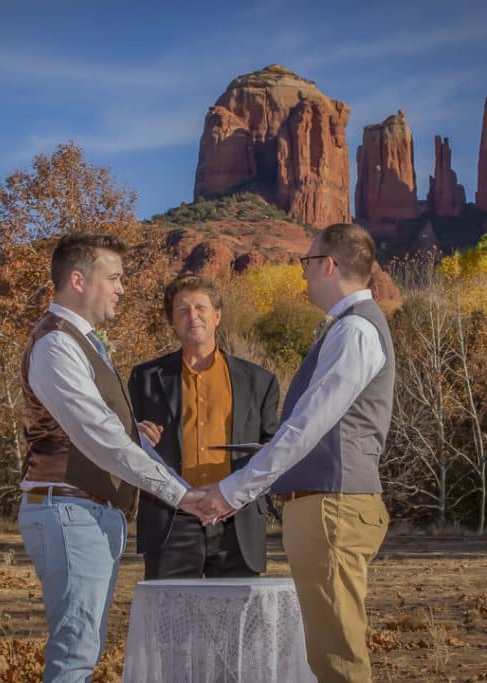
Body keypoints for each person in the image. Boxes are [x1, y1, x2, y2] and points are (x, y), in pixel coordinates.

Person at [196, 223, 394, 683]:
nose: (303, 275)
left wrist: (233, 492)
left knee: (337, 658)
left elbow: (306, 427)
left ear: (328, 265)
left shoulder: (355, 332)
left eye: (308, 263)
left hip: (331, 507)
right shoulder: (352, 328)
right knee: (329, 651)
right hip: (329, 504)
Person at [17, 232, 205, 683]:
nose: (122, 288)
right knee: (75, 655)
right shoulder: (56, 345)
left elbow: (101, 429)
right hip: (70, 510)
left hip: (88, 512)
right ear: (78, 280)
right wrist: (182, 496)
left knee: (84, 648)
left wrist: (133, 435)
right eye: (115, 278)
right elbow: (99, 438)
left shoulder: (86, 342)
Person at [128, 274, 279, 579]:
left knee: (235, 623)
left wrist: (240, 492)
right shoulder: (144, 379)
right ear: (172, 321)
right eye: (182, 310)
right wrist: (136, 434)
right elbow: (126, 444)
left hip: (237, 523)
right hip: (170, 521)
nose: (192, 317)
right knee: (171, 623)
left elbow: (274, 449)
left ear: (218, 315)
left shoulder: (260, 382)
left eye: (201, 308)